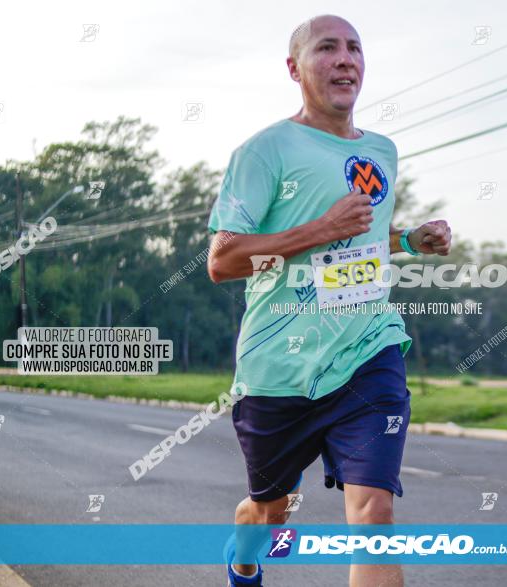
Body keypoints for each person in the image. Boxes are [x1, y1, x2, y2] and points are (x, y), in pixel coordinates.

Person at [207, 14, 452, 587]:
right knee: (273, 516)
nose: (346, 59)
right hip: (280, 367)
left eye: (355, 49)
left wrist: (410, 241)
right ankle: (246, 552)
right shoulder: (263, 151)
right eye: (327, 49)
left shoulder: (383, 151)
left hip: (369, 349)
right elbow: (225, 261)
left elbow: (364, 238)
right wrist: (319, 228)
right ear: (294, 69)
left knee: (374, 516)